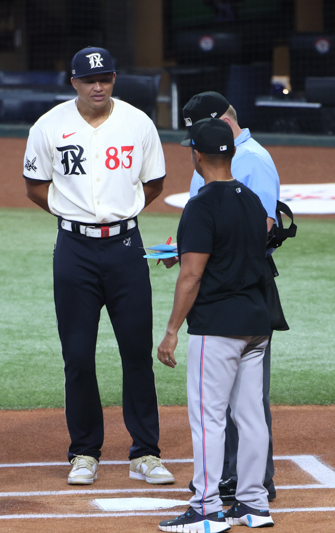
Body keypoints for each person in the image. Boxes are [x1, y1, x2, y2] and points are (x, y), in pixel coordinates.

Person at [22, 46, 174, 486]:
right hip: (74, 251)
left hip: (126, 249)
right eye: (89, 80)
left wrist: (121, 213)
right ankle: (84, 452)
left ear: (114, 80)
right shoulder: (48, 126)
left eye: (105, 78)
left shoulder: (137, 123)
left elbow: (154, 182)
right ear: (74, 82)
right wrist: (74, 215)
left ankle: (145, 452)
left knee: (136, 353)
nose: (98, 86)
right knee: (77, 355)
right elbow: (34, 185)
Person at [157, 118, 274, 532]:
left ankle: (206, 507)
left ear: (197, 156)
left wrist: (171, 330)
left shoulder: (201, 205)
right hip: (257, 322)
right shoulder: (253, 201)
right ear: (232, 152)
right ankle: (254, 504)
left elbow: (192, 275)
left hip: (218, 327)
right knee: (251, 417)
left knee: (208, 417)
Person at [181, 91, 286, 503]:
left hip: (235, 291)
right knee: (234, 403)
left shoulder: (253, 160)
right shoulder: (224, 165)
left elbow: (263, 231)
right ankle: (241, 487)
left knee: (237, 403)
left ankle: (247, 484)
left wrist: (206, 257)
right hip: (223, 287)